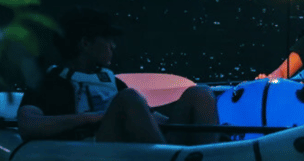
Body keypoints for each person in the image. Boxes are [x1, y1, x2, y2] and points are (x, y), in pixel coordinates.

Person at [17, 7, 220, 145]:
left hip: (137, 148)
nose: (113, 46)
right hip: (94, 152)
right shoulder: (49, 82)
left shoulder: (112, 82)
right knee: (130, 98)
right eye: (107, 39)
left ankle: (210, 158)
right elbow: (28, 124)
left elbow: (153, 117)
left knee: (200, 94)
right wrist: (89, 118)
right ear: (85, 43)